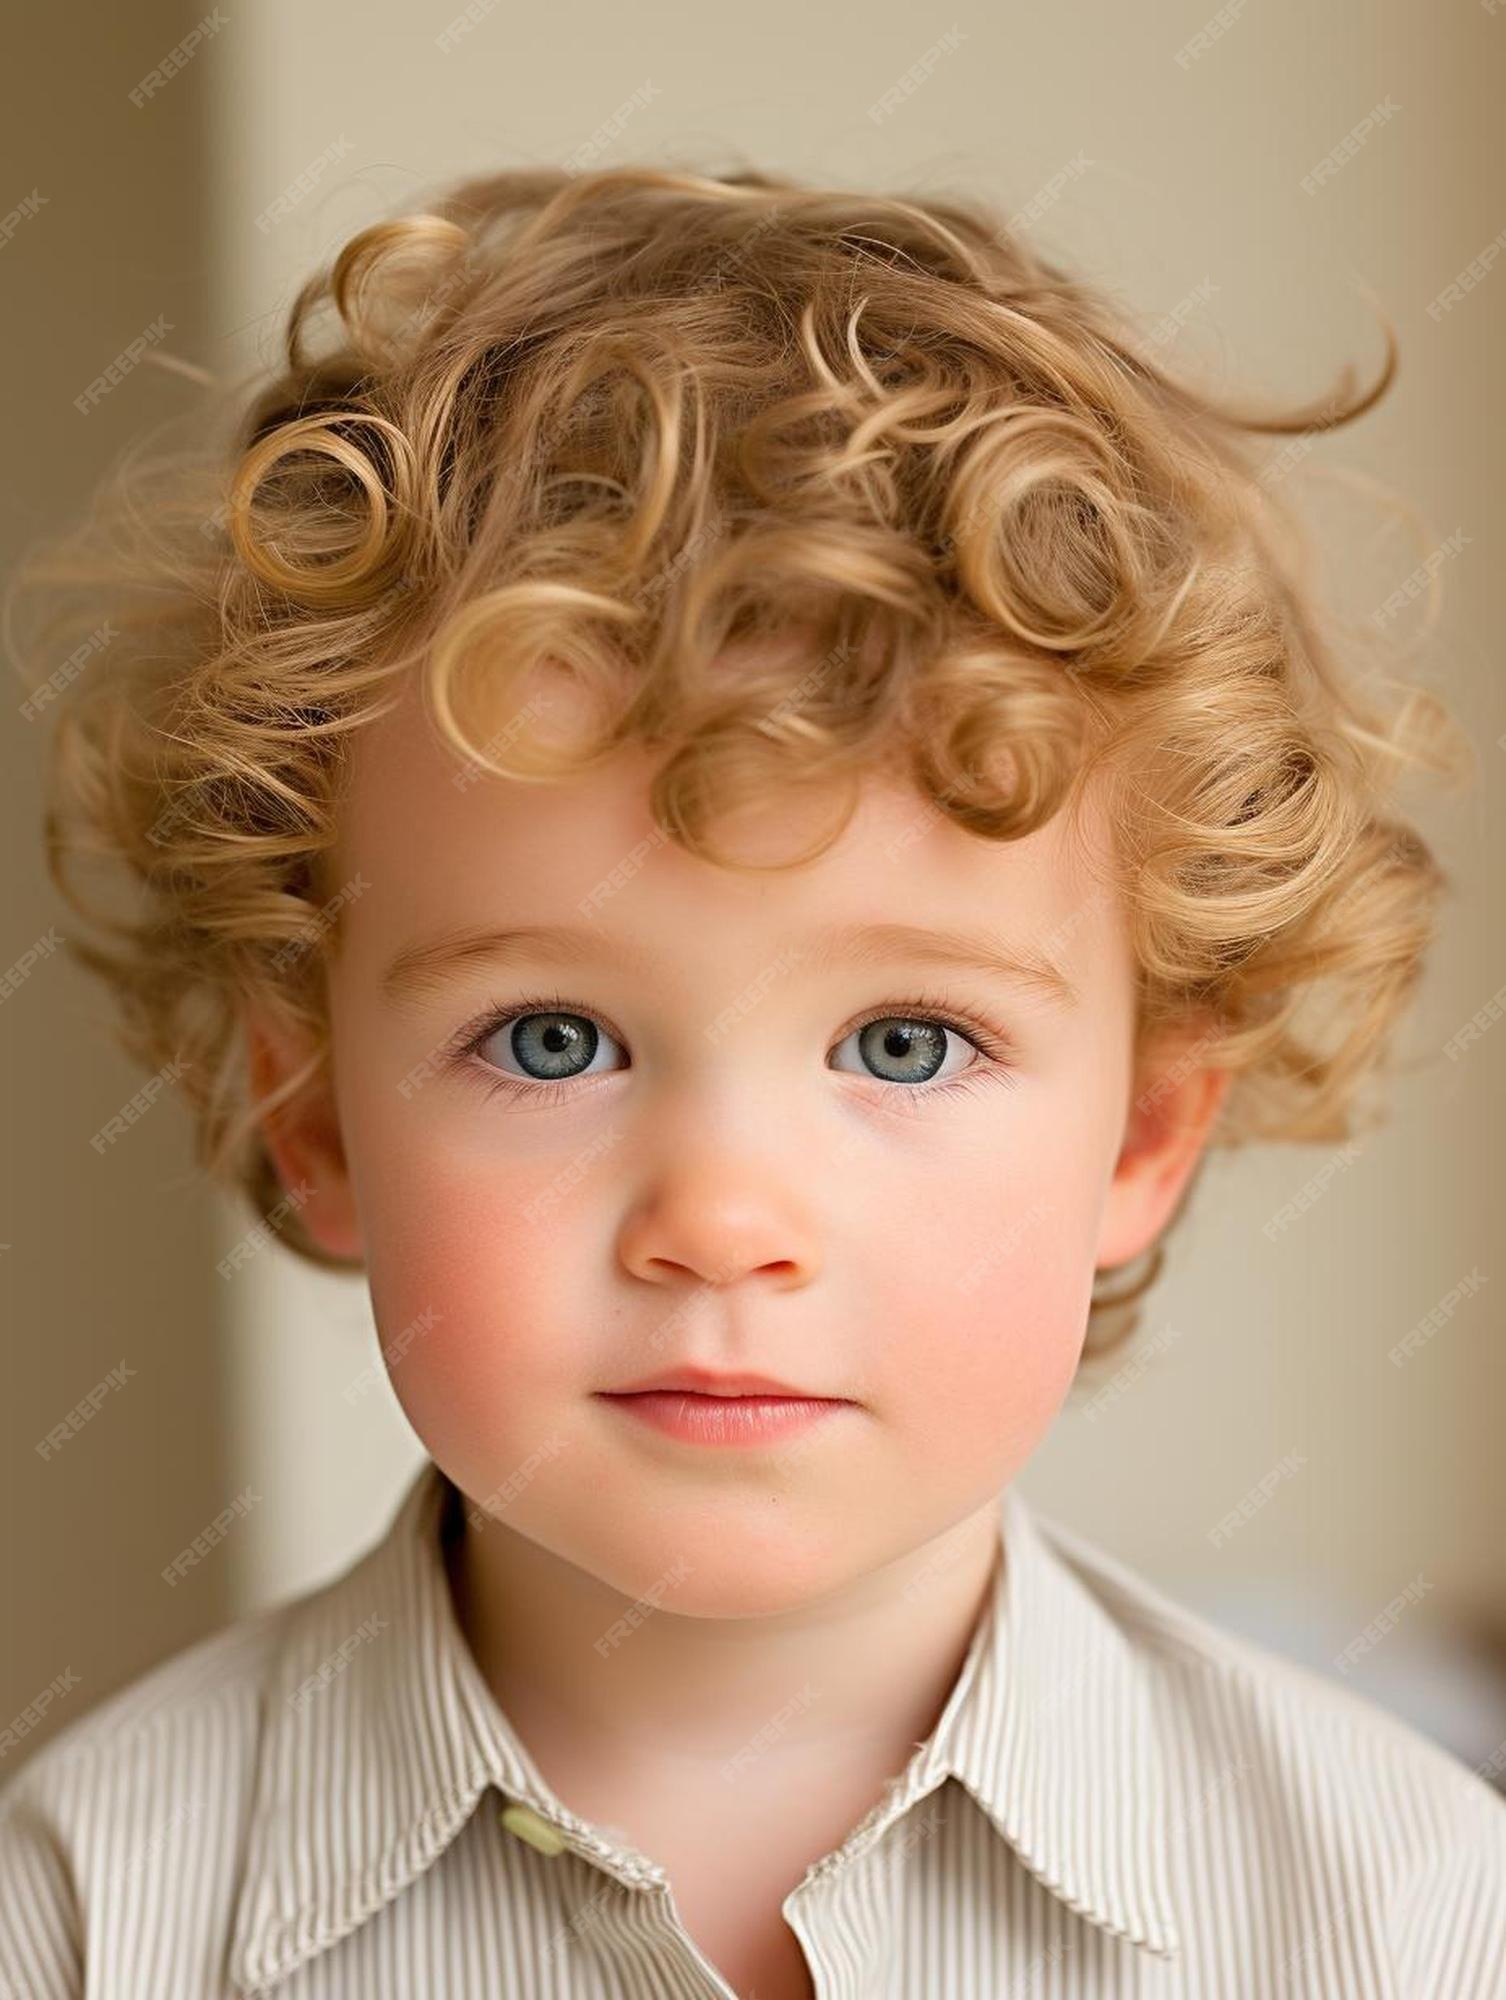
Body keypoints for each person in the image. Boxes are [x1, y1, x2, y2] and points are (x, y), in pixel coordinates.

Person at [3, 162, 1502, 1998]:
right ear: (315, 1116)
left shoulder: (1400, 1910)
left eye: (904, 1043)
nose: (720, 1221)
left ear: (1149, 1128)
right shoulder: (92, 1911)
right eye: (553, 1041)